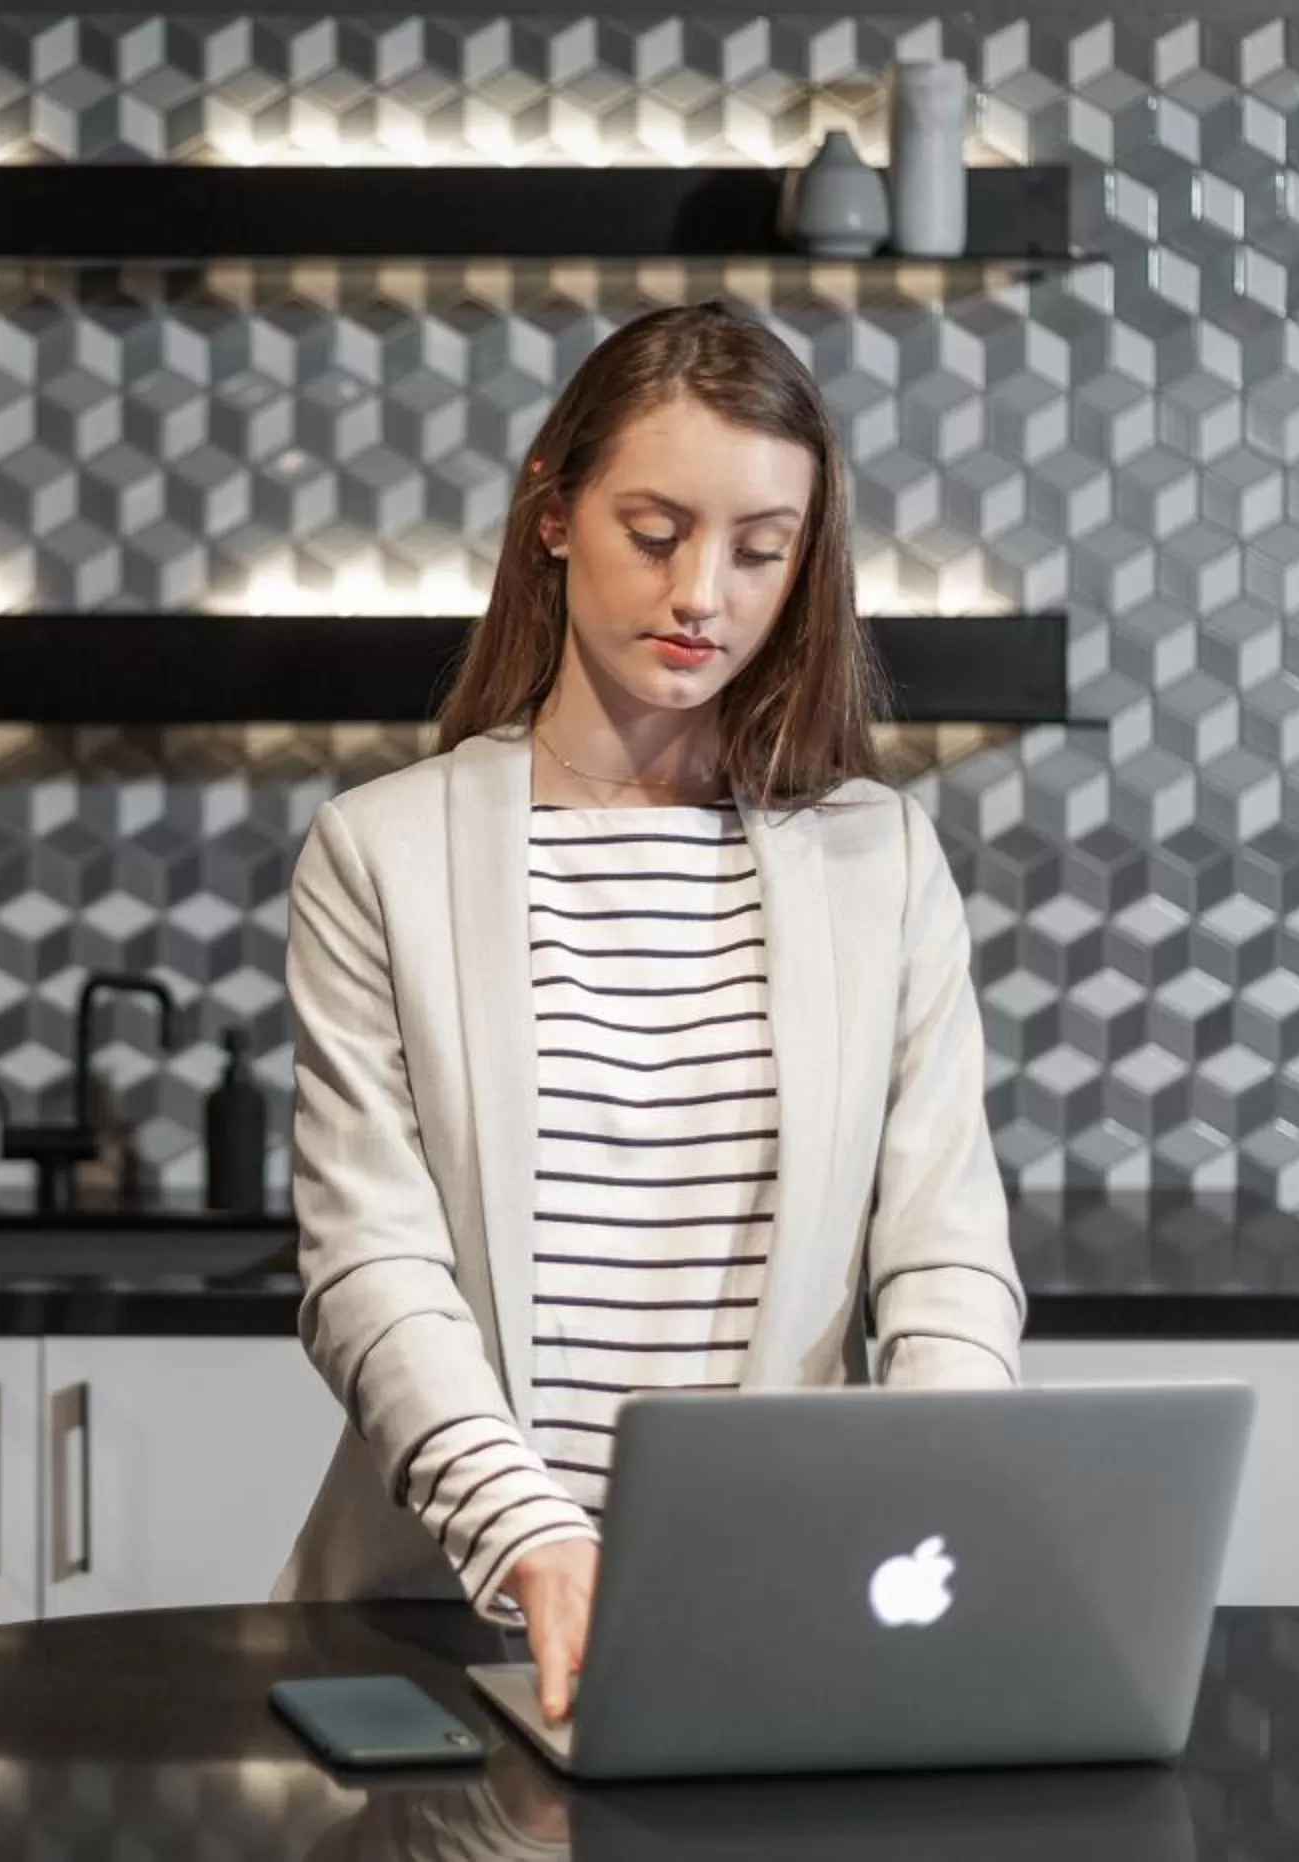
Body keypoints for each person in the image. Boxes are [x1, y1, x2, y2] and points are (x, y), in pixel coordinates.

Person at [268, 299, 1028, 1729]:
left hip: (766, 1613)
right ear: (553, 517)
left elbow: (944, 1257)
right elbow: (371, 1267)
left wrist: (946, 1499)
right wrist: (535, 1539)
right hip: (442, 1629)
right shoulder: (381, 852)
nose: (704, 597)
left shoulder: (883, 857)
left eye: (759, 550)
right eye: (656, 530)